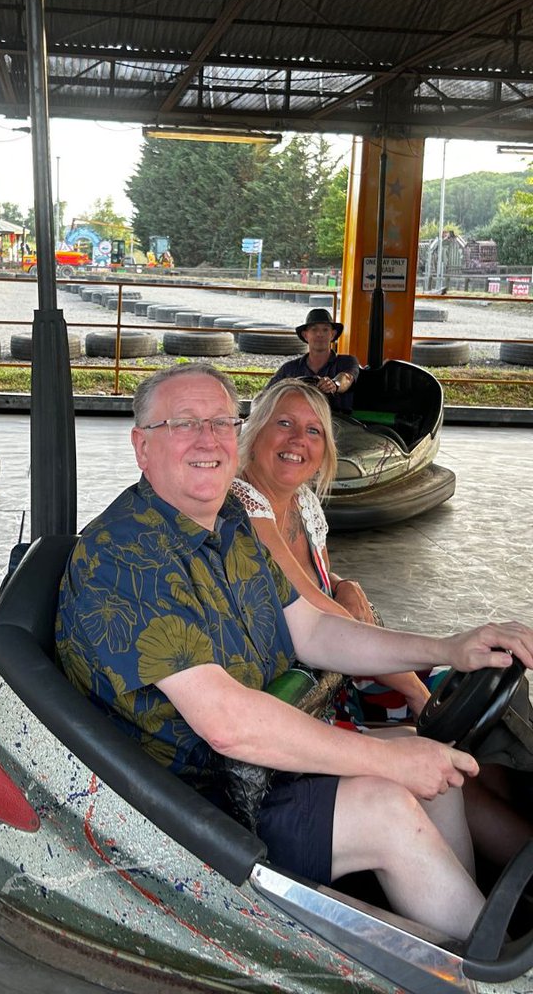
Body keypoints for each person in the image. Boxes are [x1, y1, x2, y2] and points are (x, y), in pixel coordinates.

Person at [56, 362, 533, 940]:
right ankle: (490, 969)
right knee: (386, 804)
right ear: (142, 446)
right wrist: (388, 762)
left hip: (260, 769)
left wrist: (449, 648)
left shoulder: (230, 523)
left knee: (428, 760)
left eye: (220, 423)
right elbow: (228, 726)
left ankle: (463, 930)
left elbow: (314, 630)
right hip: (194, 807)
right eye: (183, 424)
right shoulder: (125, 556)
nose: (207, 440)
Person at [234, 378, 431, 723]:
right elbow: (313, 604)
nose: (299, 439)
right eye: (285, 423)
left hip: (336, 668)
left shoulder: (303, 501)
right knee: (430, 723)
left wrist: (343, 585)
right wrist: (417, 693)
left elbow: (317, 580)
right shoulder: (244, 505)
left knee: (471, 690)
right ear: (255, 432)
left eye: (314, 431)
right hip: (294, 696)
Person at [267, 307, 359, 412]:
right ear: (305, 335)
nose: (320, 334)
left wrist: (334, 384)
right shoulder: (289, 369)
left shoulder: (347, 362)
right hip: (298, 419)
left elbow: (346, 378)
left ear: (332, 334)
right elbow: (265, 395)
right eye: (314, 330)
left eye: (325, 330)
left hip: (338, 420)